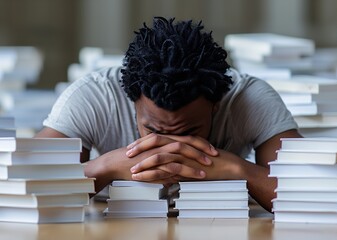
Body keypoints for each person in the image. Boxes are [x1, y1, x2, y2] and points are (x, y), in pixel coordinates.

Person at [36, 16, 302, 212]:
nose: (171, 148)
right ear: (132, 100)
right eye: (154, 131)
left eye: (188, 132)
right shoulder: (94, 96)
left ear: (216, 104)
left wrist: (238, 169)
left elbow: (307, 193)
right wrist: (105, 167)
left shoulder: (250, 98)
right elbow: (28, 188)